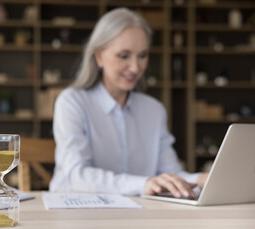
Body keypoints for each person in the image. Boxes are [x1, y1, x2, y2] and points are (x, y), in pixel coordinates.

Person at [49, 8, 208, 198]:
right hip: (75, 214)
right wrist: (144, 184)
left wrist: (200, 179)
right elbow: (77, 175)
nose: (135, 68)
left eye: (142, 55)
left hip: (136, 215)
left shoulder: (154, 110)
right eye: (124, 56)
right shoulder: (72, 102)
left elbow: (170, 172)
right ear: (99, 57)